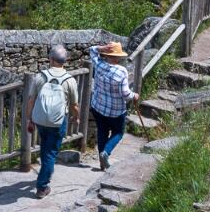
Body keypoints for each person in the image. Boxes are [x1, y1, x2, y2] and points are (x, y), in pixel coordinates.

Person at [25, 44, 81, 198]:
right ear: (66, 60)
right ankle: (42, 187)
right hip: (58, 121)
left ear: (50, 59)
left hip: (40, 120)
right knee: (50, 153)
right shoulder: (69, 80)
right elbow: (74, 105)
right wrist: (77, 117)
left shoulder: (41, 76)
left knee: (45, 146)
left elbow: (31, 100)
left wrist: (30, 119)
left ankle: (44, 171)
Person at [87, 40, 138, 171]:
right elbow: (126, 94)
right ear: (118, 57)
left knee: (102, 131)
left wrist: (102, 47)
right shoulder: (121, 71)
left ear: (106, 54)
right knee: (118, 132)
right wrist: (135, 96)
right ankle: (106, 153)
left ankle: (101, 162)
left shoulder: (99, 64)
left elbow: (92, 50)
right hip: (116, 111)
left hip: (98, 107)